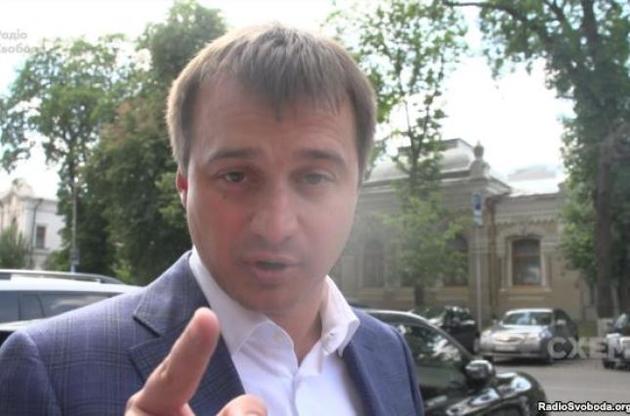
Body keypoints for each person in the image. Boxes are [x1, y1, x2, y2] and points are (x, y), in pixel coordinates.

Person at [0, 24, 423, 416]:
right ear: (184, 187)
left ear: (356, 188)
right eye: (235, 176)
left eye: (314, 177)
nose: (275, 227)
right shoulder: (49, 369)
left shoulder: (388, 354)